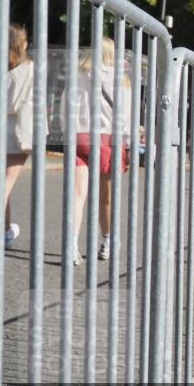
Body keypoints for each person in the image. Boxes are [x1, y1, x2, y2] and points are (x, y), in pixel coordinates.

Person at [62, 36, 133, 265]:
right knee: (106, 198)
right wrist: (129, 145)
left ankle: (71, 245)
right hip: (109, 140)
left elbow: (65, 108)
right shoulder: (122, 81)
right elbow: (127, 118)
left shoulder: (77, 76)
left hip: (79, 136)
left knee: (78, 195)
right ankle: (108, 242)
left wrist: (68, 134)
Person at [0, 24, 40, 254]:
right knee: (4, 185)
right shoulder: (30, 69)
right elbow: (32, 106)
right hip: (15, 129)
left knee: (0, 185)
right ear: (21, 44)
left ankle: (6, 231)